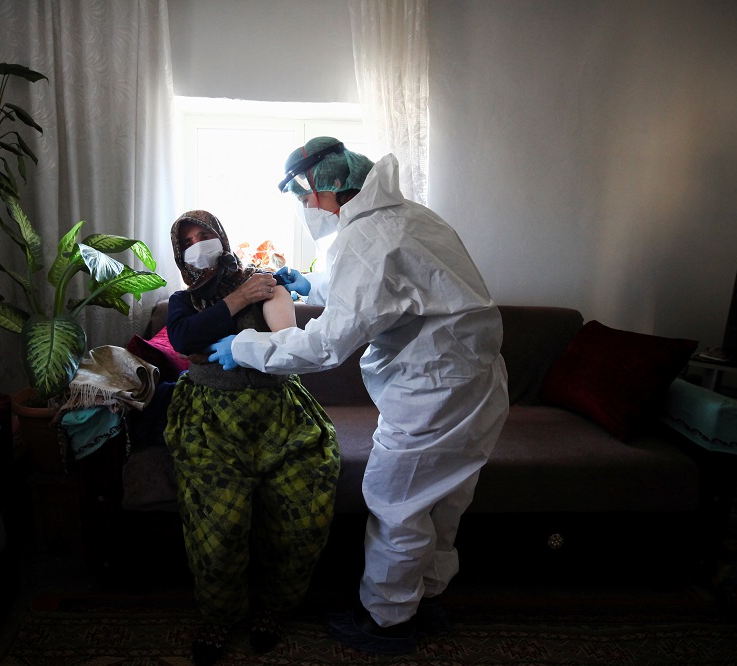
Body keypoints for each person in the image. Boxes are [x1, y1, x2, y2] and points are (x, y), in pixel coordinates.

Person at [207, 137, 510, 655]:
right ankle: (428, 598)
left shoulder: (368, 240)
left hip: (432, 395)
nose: (305, 207)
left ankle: (388, 623)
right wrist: (311, 285)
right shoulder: (411, 217)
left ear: (328, 190)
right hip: (479, 385)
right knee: (443, 502)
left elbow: (326, 346)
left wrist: (247, 345)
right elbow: (386, 289)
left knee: (397, 505)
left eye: (305, 197)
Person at [163, 209, 340, 666]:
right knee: (218, 527)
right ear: (180, 255)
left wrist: (244, 320)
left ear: (222, 236)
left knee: (305, 515)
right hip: (211, 420)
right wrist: (241, 300)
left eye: (206, 234)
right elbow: (184, 341)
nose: (200, 244)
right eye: (189, 241)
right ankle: (220, 615)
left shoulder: (265, 281)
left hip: (280, 413)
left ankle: (272, 608)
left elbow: (286, 337)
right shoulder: (184, 300)